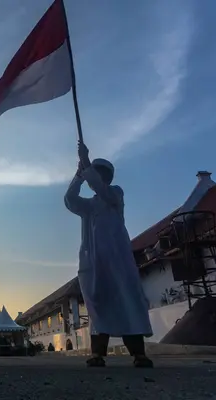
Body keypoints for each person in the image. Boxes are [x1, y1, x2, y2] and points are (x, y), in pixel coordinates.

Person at [64, 140, 153, 368]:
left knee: (126, 302)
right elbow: (69, 200)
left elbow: (100, 189)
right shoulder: (89, 207)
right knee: (97, 305)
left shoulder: (114, 195)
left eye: (99, 172)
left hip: (117, 260)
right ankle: (98, 354)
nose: (96, 176)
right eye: (94, 171)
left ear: (107, 176)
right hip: (94, 262)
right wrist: (78, 175)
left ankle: (138, 353)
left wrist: (86, 164)